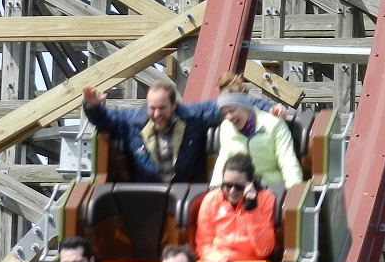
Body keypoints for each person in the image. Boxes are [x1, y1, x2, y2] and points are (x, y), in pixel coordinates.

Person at [81, 78, 280, 184]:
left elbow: (230, 103)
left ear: (174, 105)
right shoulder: (132, 121)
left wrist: (269, 109)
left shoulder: (193, 117)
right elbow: (104, 119)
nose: (157, 114)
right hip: (147, 197)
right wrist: (91, 106)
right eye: (152, 108)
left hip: (188, 191)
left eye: (162, 108)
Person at [195, 153, 276, 262]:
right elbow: (204, 245)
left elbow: (264, 250)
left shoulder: (266, 199)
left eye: (238, 187)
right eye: (227, 185)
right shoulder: (211, 200)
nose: (232, 191)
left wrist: (252, 209)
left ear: (250, 184)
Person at [209, 75, 303, 188]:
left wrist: (294, 190)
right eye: (224, 114)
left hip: (271, 188)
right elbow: (223, 160)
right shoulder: (226, 128)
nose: (229, 117)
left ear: (245, 106)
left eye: (232, 110)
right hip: (240, 190)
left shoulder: (274, 125)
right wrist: (215, 189)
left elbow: (287, 160)